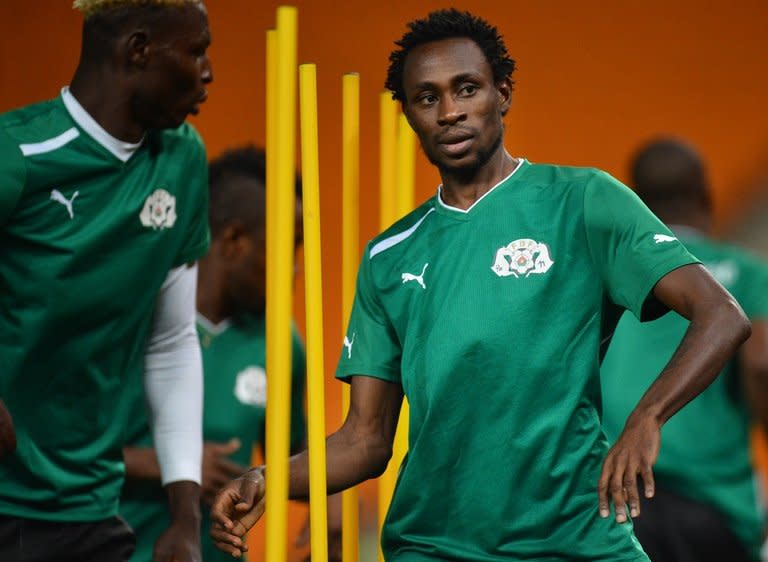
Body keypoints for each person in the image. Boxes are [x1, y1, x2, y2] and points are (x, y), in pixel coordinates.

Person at [210, 9, 751, 561]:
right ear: (409, 114)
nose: (449, 112)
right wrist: (266, 478)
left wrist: (646, 418)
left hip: (576, 538)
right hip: (436, 544)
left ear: (503, 94)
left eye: (465, 89)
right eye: (426, 98)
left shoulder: (584, 200)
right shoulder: (388, 257)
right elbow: (365, 439)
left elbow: (722, 315)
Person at [0, 1, 213, 560]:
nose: (208, 73)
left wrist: (184, 516)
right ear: (137, 50)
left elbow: (171, 343)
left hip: (92, 509)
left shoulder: (183, 159)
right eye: (195, 52)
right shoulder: (16, 154)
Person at [120, 146, 342, 562]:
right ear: (235, 241)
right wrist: (172, 465)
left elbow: (295, 454)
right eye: (288, 246)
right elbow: (56, 449)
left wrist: (328, 501)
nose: (296, 269)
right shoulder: (132, 316)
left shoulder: (280, 341)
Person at [600, 138, 768, 562]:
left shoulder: (609, 274)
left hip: (612, 500)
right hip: (710, 504)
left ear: (636, 203)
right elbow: (763, 364)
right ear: (706, 197)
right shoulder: (745, 274)